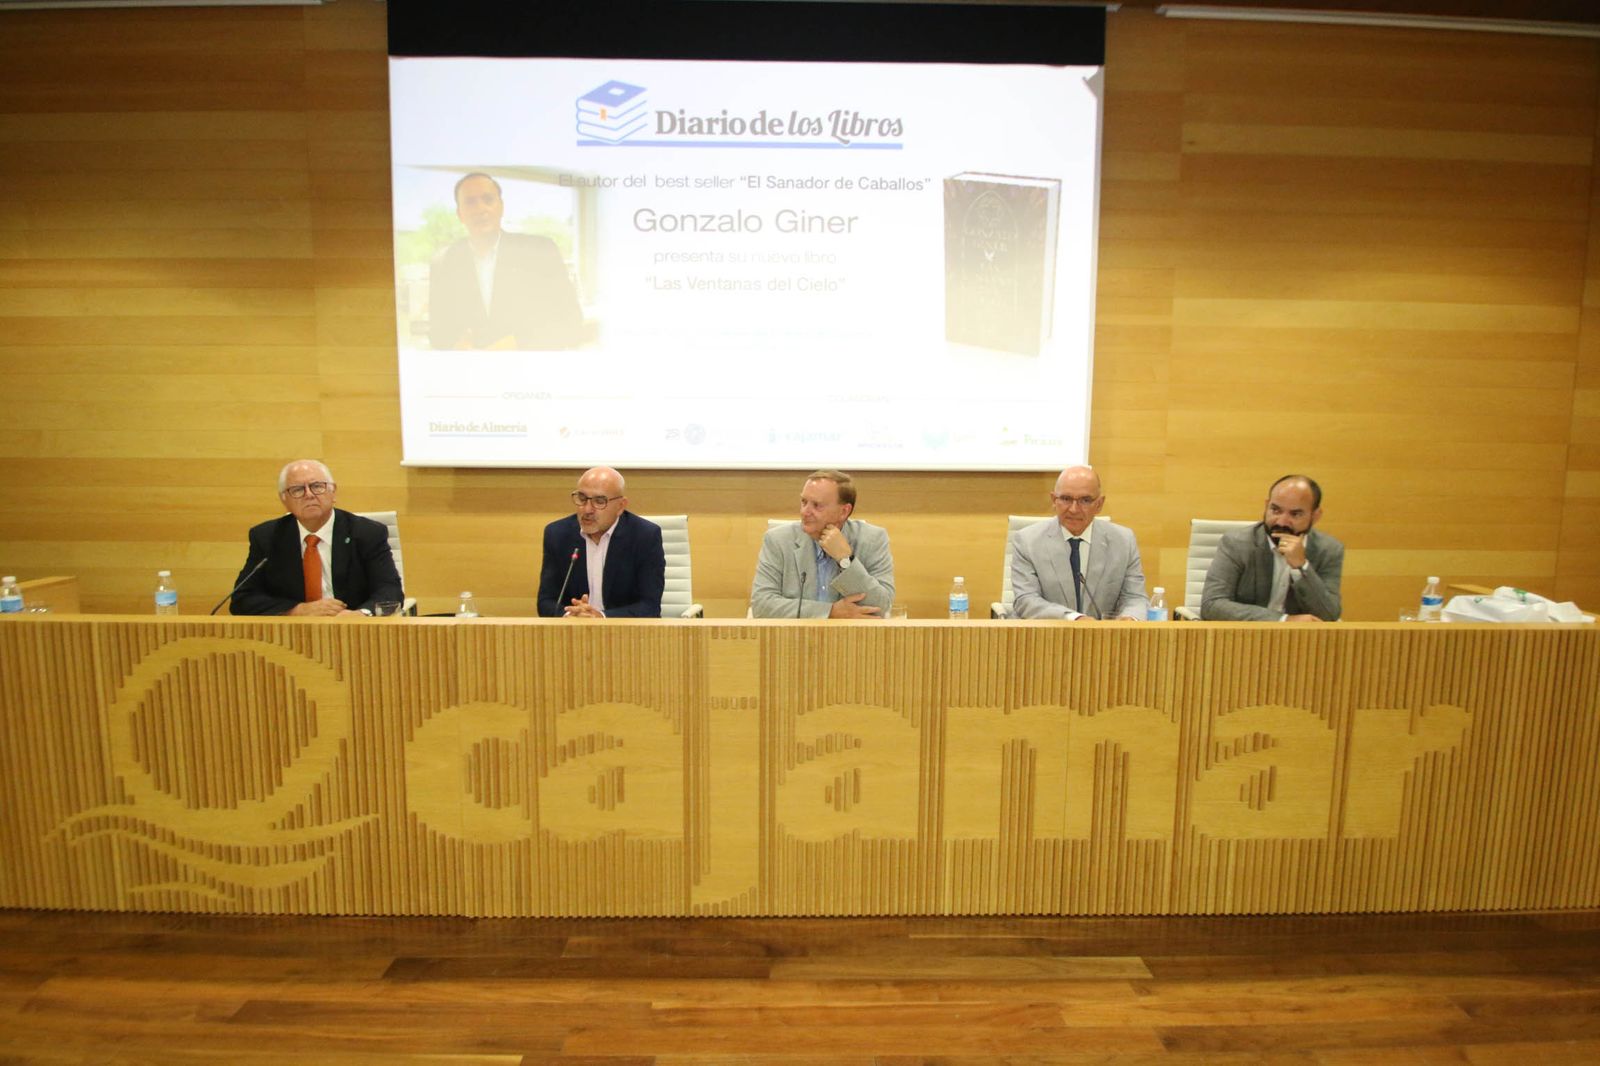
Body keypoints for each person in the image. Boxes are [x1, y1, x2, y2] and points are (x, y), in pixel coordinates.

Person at [427, 172, 584, 351]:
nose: (480, 208)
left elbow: (571, 323)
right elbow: (437, 333)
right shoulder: (443, 263)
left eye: (488, 199)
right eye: (470, 202)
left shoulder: (540, 251)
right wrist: (455, 346)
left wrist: (517, 343)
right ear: (460, 214)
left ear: (501, 207)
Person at [231, 460, 403, 616]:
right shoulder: (267, 537)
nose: (309, 495)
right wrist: (297, 610)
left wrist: (360, 614)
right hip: (295, 632)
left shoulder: (367, 533)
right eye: (297, 489)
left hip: (354, 630)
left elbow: (390, 590)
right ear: (284, 500)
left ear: (333, 492)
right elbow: (242, 599)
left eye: (317, 486)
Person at [1010, 465, 1148, 621]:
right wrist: (1074, 619)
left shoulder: (1123, 541)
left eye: (1085, 500)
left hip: (1103, 635)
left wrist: (1130, 619)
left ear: (1099, 504)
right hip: (1049, 633)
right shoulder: (1027, 541)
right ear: (1054, 500)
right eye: (1066, 499)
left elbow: (1135, 597)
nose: (1074, 509)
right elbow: (1026, 600)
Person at [751, 470, 894, 618]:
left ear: (844, 511)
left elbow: (881, 607)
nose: (805, 512)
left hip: (850, 633)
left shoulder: (872, 540)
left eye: (817, 505)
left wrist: (845, 560)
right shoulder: (778, 540)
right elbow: (761, 606)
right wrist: (830, 612)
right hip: (797, 633)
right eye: (804, 502)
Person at [1201, 474, 1343, 622]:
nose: (1282, 522)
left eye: (1295, 514)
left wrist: (1301, 567)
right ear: (1266, 505)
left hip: (1301, 636)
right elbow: (1212, 605)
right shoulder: (1237, 543)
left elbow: (1329, 615)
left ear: (1315, 516)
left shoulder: (1329, 550)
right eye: (1275, 510)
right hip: (1247, 633)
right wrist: (1284, 620)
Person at [537, 467, 664, 618]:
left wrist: (601, 617)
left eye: (599, 501)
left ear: (621, 506)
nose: (587, 510)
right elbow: (546, 601)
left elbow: (650, 606)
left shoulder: (645, 536)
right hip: (573, 629)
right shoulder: (557, 534)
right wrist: (570, 615)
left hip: (623, 630)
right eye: (582, 499)